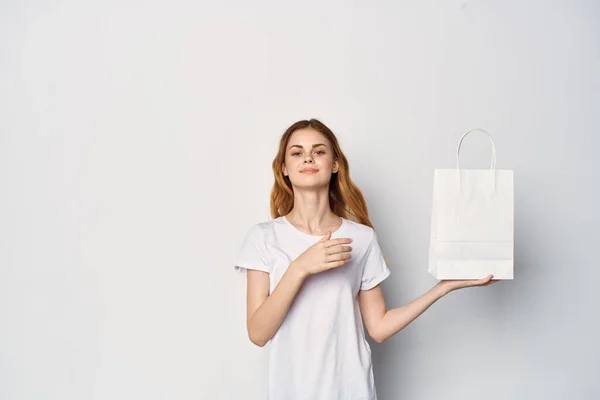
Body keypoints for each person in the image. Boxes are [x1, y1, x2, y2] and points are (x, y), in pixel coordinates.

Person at [233, 118, 498, 400]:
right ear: (284, 168)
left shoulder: (362, 238)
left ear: (335, 164)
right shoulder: (263, 237)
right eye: (296, 152)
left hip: (352, 390)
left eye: (319, 151)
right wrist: (299, 268)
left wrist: (443, 286)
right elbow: (258, 333)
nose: (308, 157)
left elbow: (380, 328)